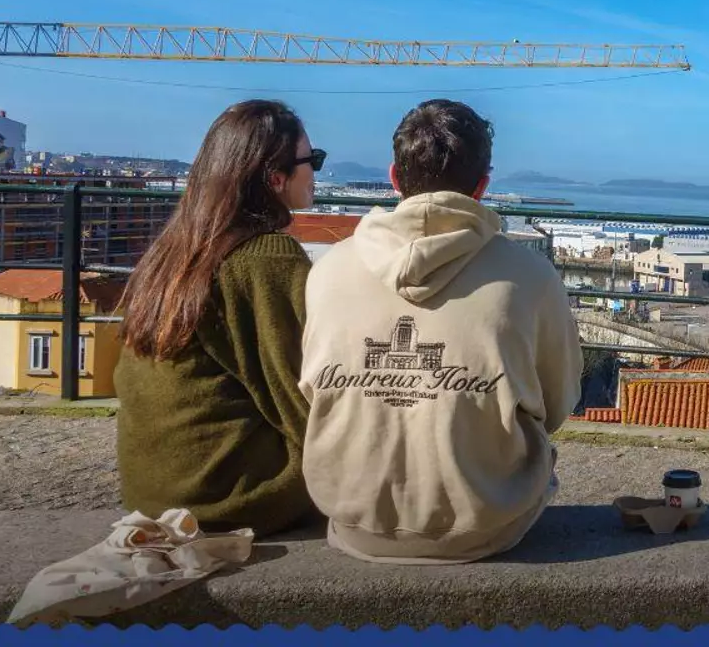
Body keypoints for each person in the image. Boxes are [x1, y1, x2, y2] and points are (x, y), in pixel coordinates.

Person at [298, 99, 582, 564]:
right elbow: (557, 402)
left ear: (394, 177)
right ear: (482, 186)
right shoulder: (530, 277)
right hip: (488, 522)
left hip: (354, 520)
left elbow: (313, 392)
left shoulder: (329, 270)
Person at [114, 99, 325, 536]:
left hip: (153, 492)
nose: (316, 172)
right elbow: (300, 398)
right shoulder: (267, 258)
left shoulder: (173, 250)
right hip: (224, 496)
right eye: (313, 161)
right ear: (276, 178)